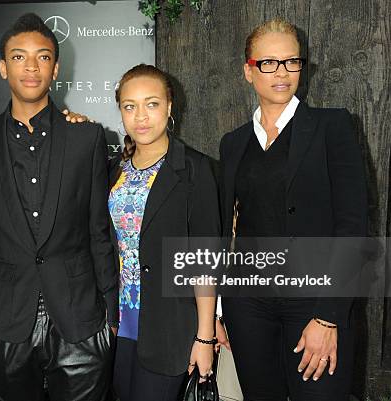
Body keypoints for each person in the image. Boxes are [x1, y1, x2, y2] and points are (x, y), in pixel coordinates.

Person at [0, 13, 117, 401]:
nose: (31, 66)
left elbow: (99, 231)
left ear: (56, 67)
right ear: (2, 67)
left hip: (79, 318)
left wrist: (111, 314)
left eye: (42, 57)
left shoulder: (87, 136)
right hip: (3, 320)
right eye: (18, 57)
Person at [217, 18, 368, 401]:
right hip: (248, 305)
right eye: (268, 63)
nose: (281, 73)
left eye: (291, 61)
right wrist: (219, 310)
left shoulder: (333, 127)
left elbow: (353, 227)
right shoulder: (233, 143)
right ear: (248, 71)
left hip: (316, 303)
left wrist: (329, 315)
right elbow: (225, 231)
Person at [109, 64, 221, 401]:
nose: (140, 116)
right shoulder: (113, 168)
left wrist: (205, 337)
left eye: (152, 104)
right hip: (118, 325)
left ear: (170, 107)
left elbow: (204, 259)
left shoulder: (195, 170)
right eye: (130, 106)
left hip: (171, 327)